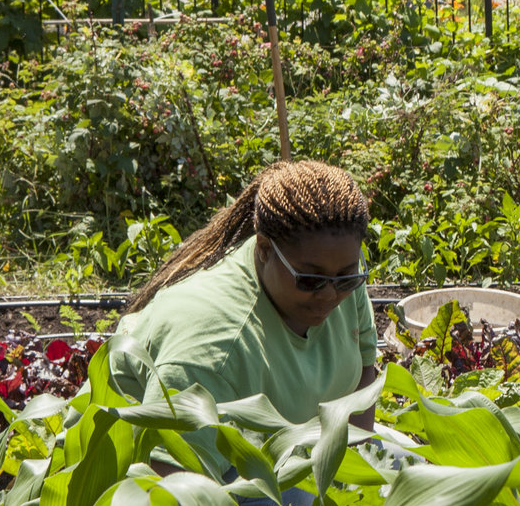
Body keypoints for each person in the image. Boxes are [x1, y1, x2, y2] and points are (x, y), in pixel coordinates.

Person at [108, 160, 379, 416]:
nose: (330, 294)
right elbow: (171, 465)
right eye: (310, 280)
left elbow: (363, 384)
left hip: (292, 447)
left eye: (346, 277)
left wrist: (353, 456)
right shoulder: (214, 350)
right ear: (264, 250)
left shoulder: (337, 276)